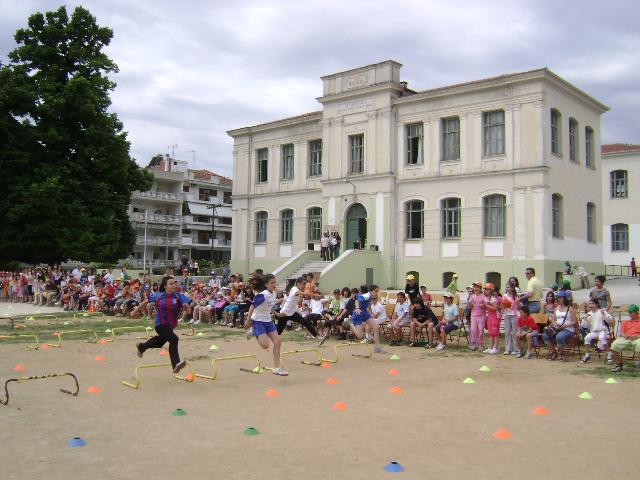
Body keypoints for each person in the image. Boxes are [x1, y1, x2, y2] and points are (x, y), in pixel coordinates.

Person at [136, 275, 189, 374]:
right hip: (160, 324)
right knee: (174, 339)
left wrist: (187, 308)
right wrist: (135, 311)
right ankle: (176, 364)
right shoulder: (158, 295)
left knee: (160, 342)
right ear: (165, 286)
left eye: (174, 283)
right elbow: (145, 301)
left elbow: (186, 306)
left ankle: (141, 346)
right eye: (171, 284)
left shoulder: (178, 295)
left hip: (171, 325)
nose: (174, 285)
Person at [243, 272, 288, 376]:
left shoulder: (273, 294)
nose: (274, 284)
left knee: (278, 342)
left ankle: (277, 368)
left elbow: (269, 306)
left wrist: (276, 313)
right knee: (265, 345)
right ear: (266, 284)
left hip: (268, 321)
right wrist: (248, 320)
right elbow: (252, 306)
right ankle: (254, 331)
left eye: (275, 282)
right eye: (272, 283)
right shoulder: (262, 295)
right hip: (258, 321)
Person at [541, 291, 576, 362]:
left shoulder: (570, 308)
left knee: (559, 337)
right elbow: (553, 319)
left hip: (568, 329)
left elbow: (574, 321)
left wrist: (565, 325)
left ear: (565, 299)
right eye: (558, 298)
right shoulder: (556, 308)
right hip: (557, 327)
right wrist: (555, 324)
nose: (558, 299)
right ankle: (553, 352)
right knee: (545, 335)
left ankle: (561, 354)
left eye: (560, 298)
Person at [351, 285, 386, 353]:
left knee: (376, 327)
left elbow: (368, 305)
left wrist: (370, 312)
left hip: (365, 313)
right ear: (370, 291)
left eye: (378, 291)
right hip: (358, 314)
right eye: (375, 291)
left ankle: (377, 347)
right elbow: (357, 300)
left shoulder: (371, 297)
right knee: (360, 336)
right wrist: (357, 308)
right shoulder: (367, 295)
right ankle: (350, 323)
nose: (377, 293)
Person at [610, 304, 640, 372]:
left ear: (636, 313)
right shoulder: (625, 322)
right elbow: (621, 333)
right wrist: (624, 335)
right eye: (628, 312)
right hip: (627, 338)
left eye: (631, 312)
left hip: (637, 338)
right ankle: (618, 365)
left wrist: (636, 336)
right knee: (614, 344)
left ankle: (639, 362)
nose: (629, 314)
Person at [581, 298, 612, 363]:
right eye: (590, 303)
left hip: (603, 330)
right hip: (594, 331)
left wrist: (603, 314)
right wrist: (585, 319)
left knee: (601, 337)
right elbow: (585, 326)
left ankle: (609, 353)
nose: (590, 305)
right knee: (587, 338)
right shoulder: (589, 313)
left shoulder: (601, 311)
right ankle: (587, 355)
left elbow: (609, 320)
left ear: (597, 304)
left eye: (592, 303)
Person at [468, 282, 487, 351]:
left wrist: (483, 305)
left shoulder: (483, 296)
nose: (475, 288)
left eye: (477, 287)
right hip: (473, 316)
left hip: (481, 316)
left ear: (480, 288)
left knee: (481, 330)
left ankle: (480, 344)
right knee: (473, 330)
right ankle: (473, 344)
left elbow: (486, 306)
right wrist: (470, 304)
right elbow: (470, 307)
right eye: (474, 287)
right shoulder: (472, 296)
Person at [483, 283, 501, 354]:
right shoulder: (487, 298)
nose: (486, 290)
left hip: (495, 317)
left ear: (491, 290)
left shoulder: (493, 299)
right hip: (490, 316)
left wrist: (487, 305)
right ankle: (490, 347)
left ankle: (495, 348)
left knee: (495, 333)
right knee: (490, 333)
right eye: (485, 289)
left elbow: (495, 308)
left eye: (487, 289)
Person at [502, 283, 519, 355]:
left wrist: (516, 303)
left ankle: (515, 349)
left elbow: (518, 306)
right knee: (507, 332)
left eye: (509, 287)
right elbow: (502, 306)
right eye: (506, 287)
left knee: (514, 332)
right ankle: (508, 349)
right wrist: (505, 306)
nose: (507, 288)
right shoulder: (504, 296)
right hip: (507, 315)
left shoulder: (515, 296)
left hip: (514, 315)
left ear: (512, 288)